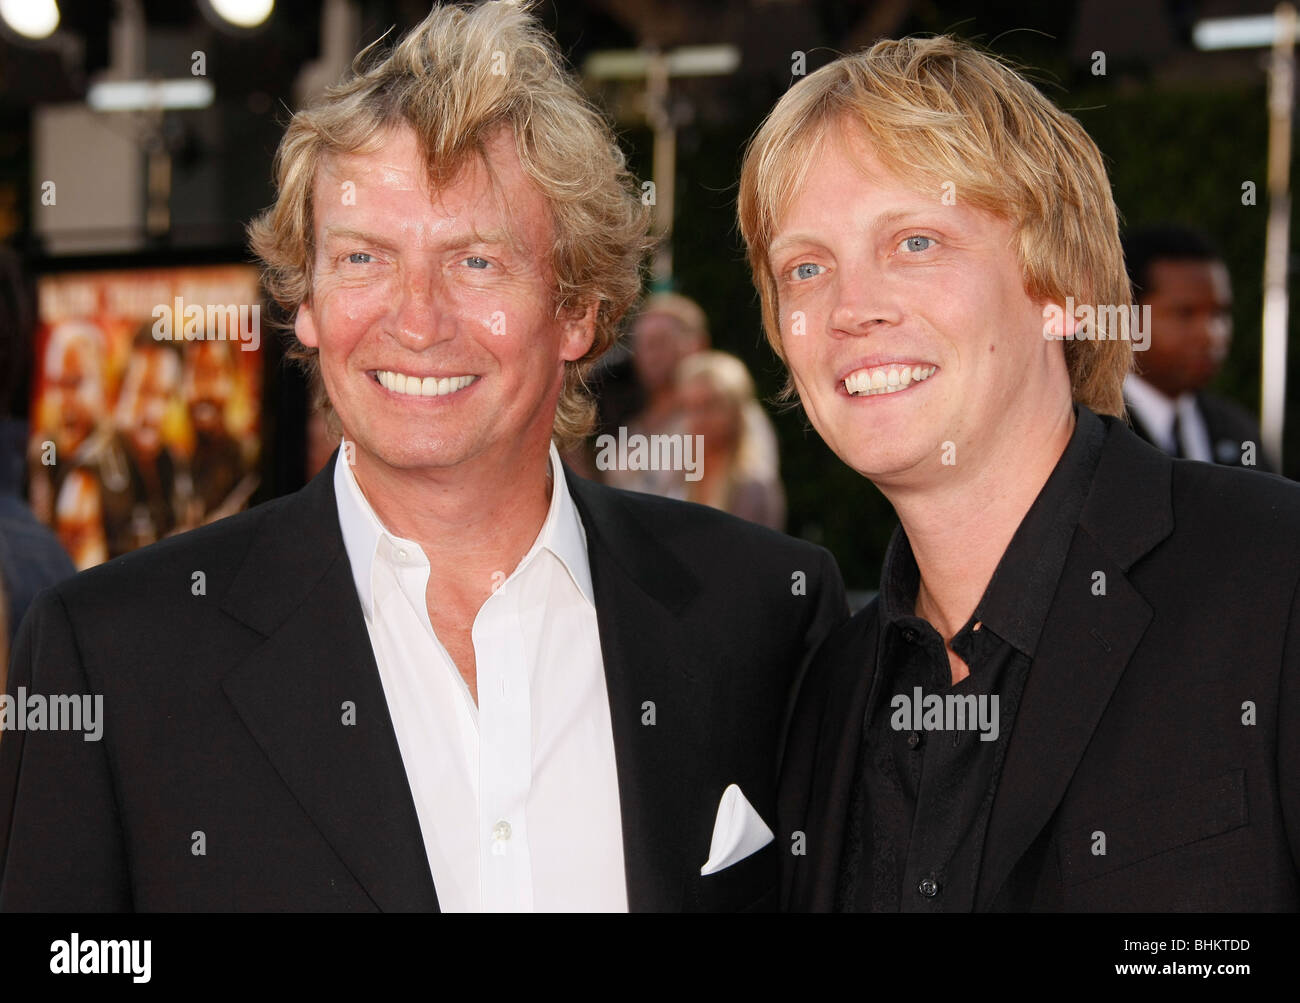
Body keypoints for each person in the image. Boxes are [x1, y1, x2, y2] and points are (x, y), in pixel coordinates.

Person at [0, 0, 846, 913]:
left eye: (476, 262)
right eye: (364, 259)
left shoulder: (765, 616)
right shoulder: (117, 654)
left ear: (579, 311)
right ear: (308, 302)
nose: (414, 320)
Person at [738, 34, 1300, 911]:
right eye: (805, 268)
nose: (851, 309)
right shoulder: (826, 698)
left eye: (916, 241)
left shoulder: (1274, 578)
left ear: (1060, 286)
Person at [1121, 224, 1274, 471]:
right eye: (1185, 314)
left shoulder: (1238, 432)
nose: (1212, 335)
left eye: (1219, 314)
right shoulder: (1089, 428)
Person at [676, 350, 785, 530]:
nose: (698, 418)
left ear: (736, 411)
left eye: (709, 405)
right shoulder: (676, 477)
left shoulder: (754, 487)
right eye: (689, 407)